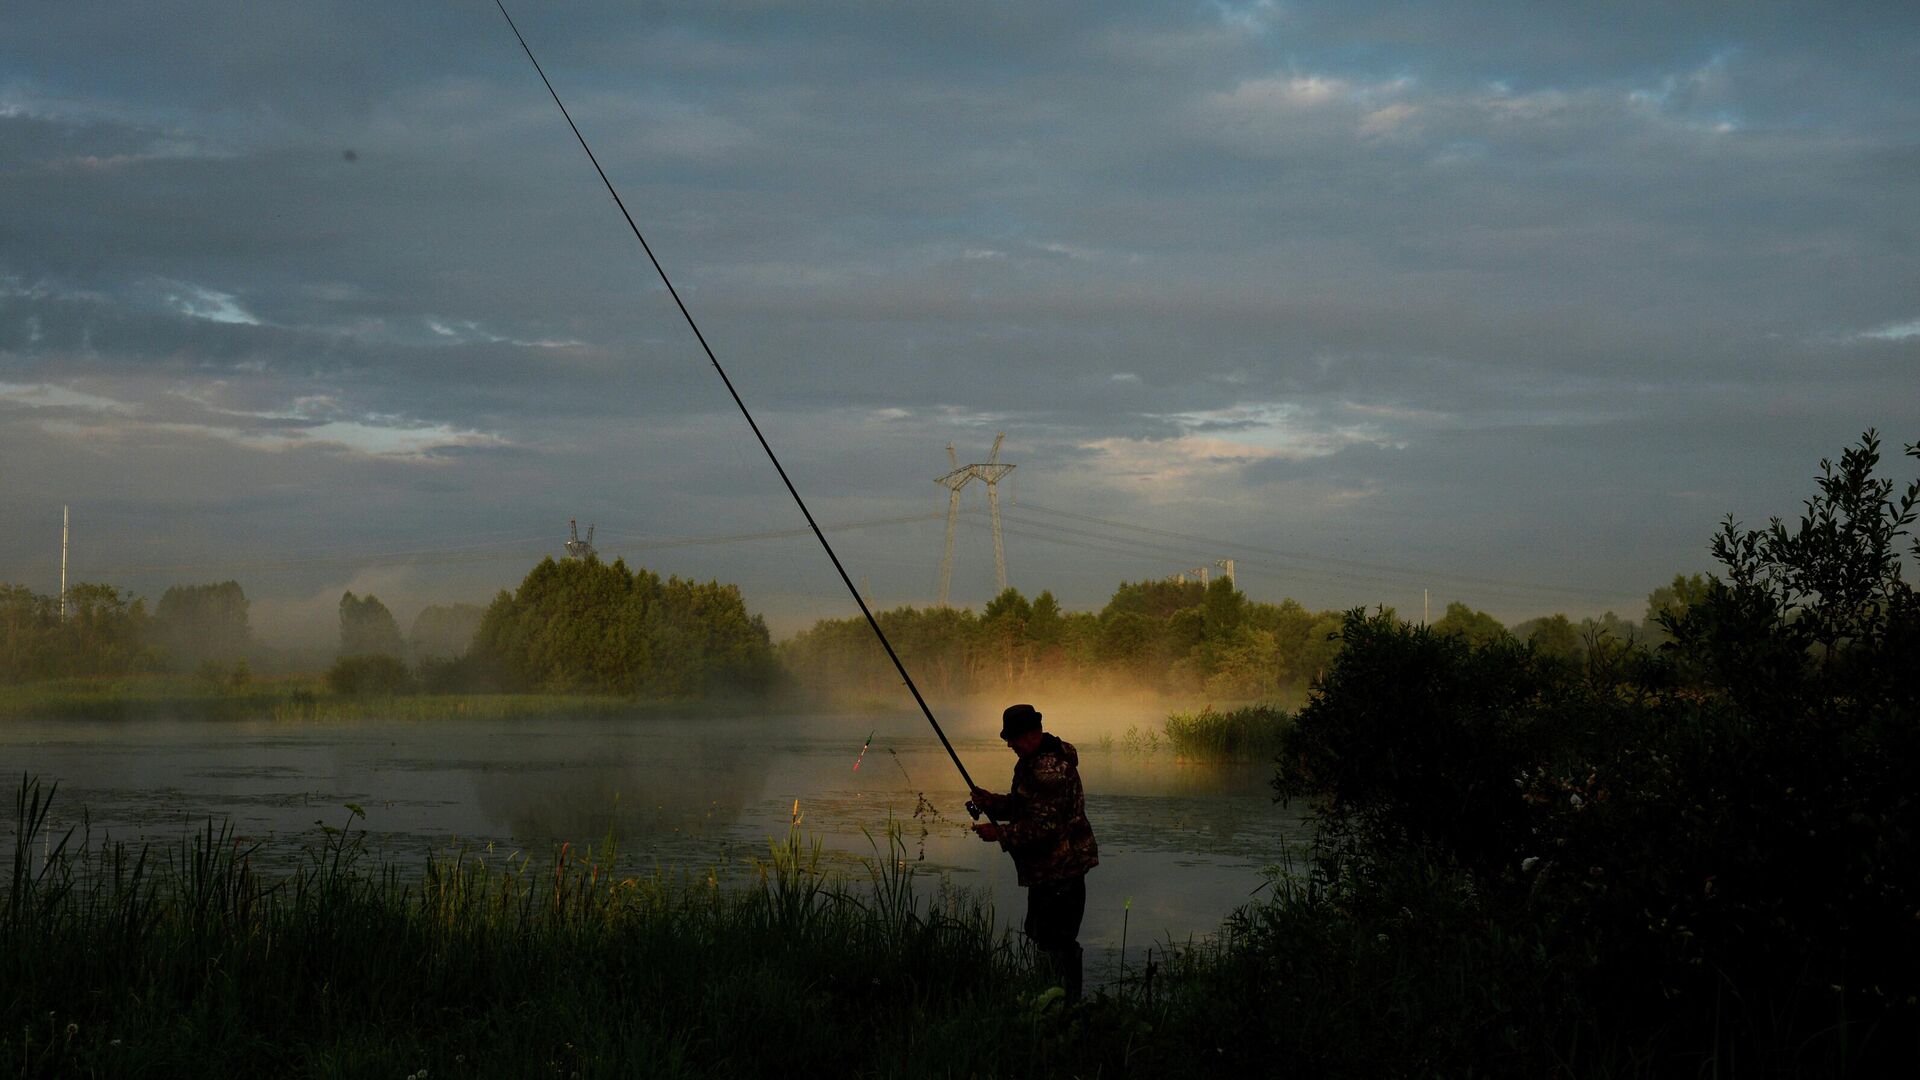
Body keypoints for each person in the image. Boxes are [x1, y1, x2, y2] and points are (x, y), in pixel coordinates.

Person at [969, 703, 1098, 1003]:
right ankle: (1056, 999)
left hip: (1062, 868)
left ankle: (1066, 1004)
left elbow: (1045, 827)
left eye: (1012, 738)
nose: (1009, 744)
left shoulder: (1049, 770)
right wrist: (993, 803)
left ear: (1030, 734)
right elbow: (1027, 807)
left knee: (1057, 939)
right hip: (1049, 869)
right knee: (1042, 933)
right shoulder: (1033, 760)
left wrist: (1000, 834)